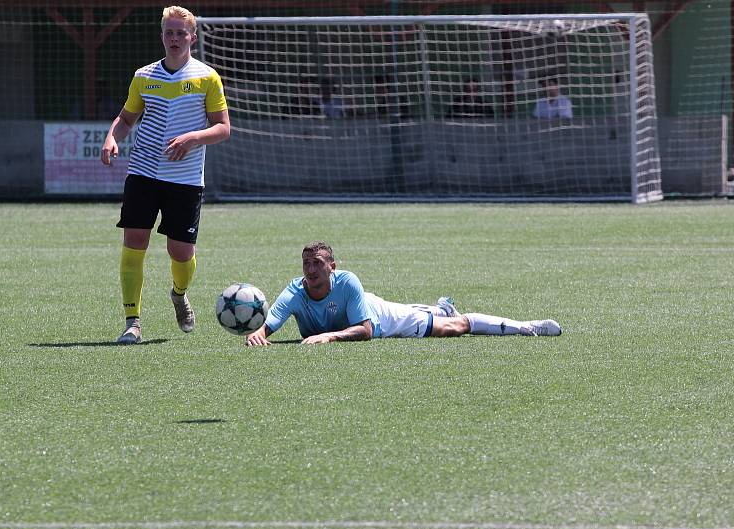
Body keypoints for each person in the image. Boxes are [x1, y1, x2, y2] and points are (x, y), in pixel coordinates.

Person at [100, 5, 231, 344]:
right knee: (134, 244)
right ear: (162, 36)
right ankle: (132, 322)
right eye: (169, 32)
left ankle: (179, 293)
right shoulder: (144, 76)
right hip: (143, 172)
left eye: (180, 33)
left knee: (181, 252)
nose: (174, 38)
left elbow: (222, 128)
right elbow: (127, 118)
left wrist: (193, 138)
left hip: (185, 180)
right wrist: (112, 137)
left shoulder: (206, 77)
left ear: (193, 37)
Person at [245, 241, 561, 346]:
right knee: (432, 317)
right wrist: (258, 332)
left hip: (381, 319)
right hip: (368, 308)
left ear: (332, 267)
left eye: (316, 264)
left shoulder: (348, 281)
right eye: (306, 264)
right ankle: (434, 309)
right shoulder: (295, 290)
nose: (310, 270)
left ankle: (527, 326)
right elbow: (271, 322)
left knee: (455, 329)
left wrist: (328, 337)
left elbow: (367, 331)